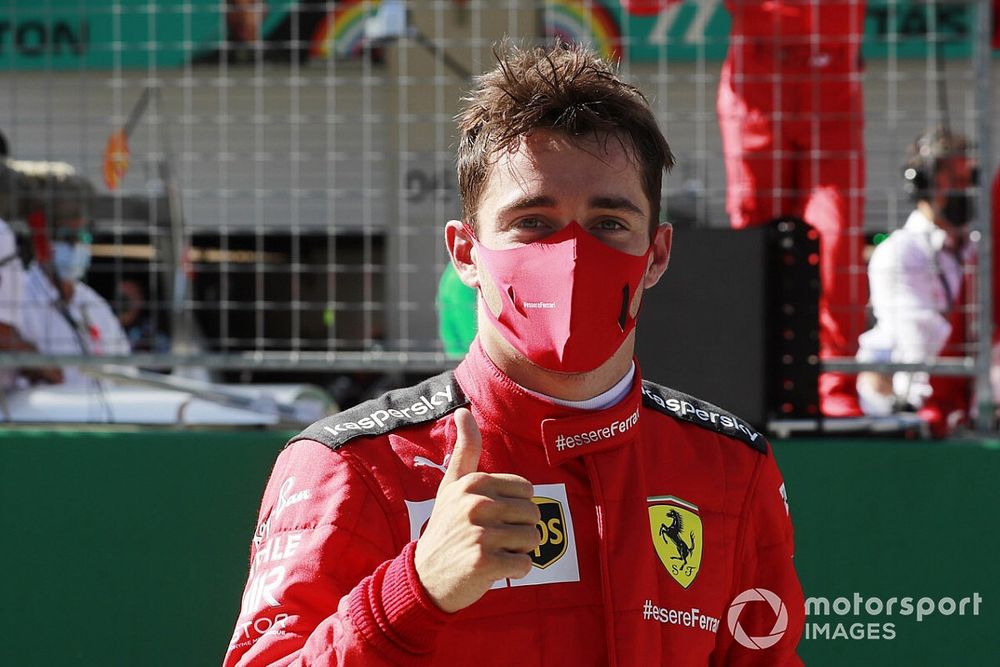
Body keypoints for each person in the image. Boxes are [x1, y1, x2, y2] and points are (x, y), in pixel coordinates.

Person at [223, 43, 804, 665]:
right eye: (533, 222)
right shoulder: (355, 468)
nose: (573, 255)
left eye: (609, 223)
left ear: (657, 254)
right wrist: (413, 594)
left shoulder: (728, 467)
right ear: (466, 252)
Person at [717, 1, 868, 417]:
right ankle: (756, 377)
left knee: (837, 243)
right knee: (755, 241)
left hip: (832, 82)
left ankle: (837, 381)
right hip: (758, 87)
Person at [856, 127, 976, 434]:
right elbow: (920, 342)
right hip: (898, 406)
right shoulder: (899, 251)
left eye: (969, 181)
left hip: (959, 400)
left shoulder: (975, 250)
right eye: (955, 181)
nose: (965, 191)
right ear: (924, 183)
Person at [17, 167, 130, 388]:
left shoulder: (95, 306)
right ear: (42, 240)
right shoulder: (16, 301)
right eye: (67, 237)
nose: (77, 247)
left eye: (83, 237)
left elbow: (124, 375)